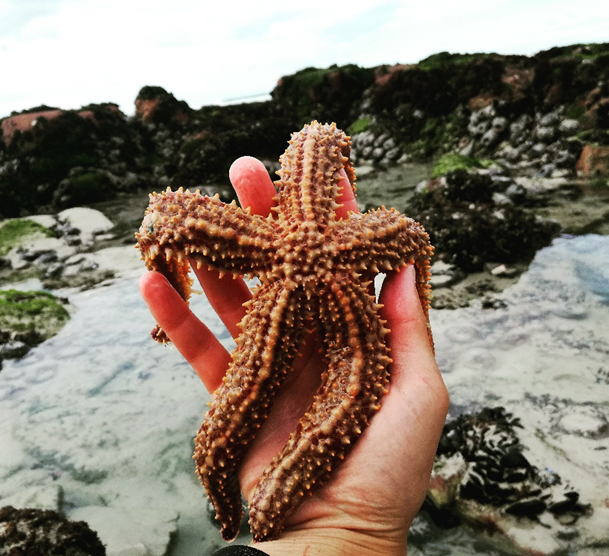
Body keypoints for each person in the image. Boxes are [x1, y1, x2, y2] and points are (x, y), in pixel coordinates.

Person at [139, 156, 450, 556]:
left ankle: (238, 508)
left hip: (297, 290)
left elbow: (161, 220)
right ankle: (244, 507)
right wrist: (357, 535)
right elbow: (414, 240)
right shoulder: (354, 239)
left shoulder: (302, 246)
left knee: (233, 412)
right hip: (305, 288)